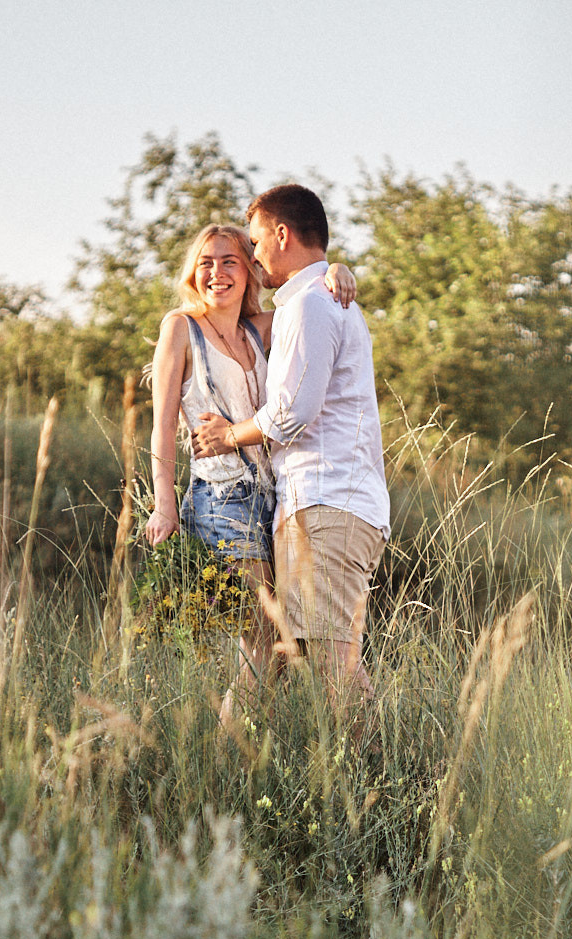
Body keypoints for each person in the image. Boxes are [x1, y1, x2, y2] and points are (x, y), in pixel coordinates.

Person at [143, 222, 355, 712]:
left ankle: (240, 753)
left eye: (230, 261)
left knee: (282, 648)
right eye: (206, 263)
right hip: (220, 500)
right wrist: (163, 507)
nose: (216, 273)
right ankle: (225, 762)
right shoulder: (181, 327)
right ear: (194, 274)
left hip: (271, 499)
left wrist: (335, 271)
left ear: (250, 270)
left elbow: (304, 287)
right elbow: (160, 427)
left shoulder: (259, 329)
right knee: (267, 636)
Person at [195, 184, 388, 713]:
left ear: (282, 235)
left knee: (333, 667)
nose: (255, 257)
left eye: (256, 242)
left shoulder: (311, 305)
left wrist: (226, 434)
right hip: (323, 502)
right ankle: (382, 773)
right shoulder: (312, 300)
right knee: (304, 656)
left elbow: (291, 415)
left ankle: (384, 783)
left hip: (328, 502)